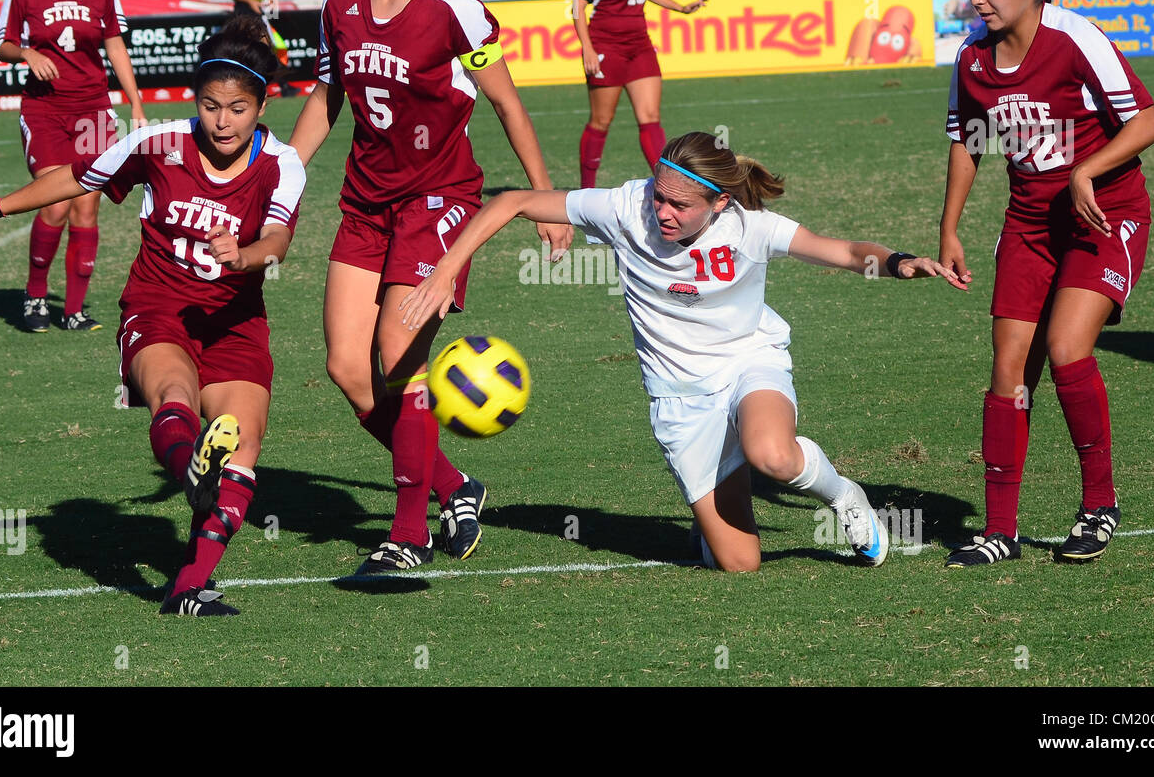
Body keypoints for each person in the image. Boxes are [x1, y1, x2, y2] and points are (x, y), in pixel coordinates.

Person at [401, 132, 968, 572]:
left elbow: (837, 249)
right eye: (658, 195)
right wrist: (447, 269)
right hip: (679, 398)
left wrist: (898, 261)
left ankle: (845, 496)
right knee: (739, 563)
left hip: (749, 360)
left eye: (679, 205)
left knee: (771, 453)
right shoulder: (627, 208)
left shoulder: (751, 227)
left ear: (719, 203)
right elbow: (515, 201)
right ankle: (721, 490)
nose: (662, 211)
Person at [0, 27, 307, 615]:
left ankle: (187, 587)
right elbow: (77, 176)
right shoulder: (158, 142)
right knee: (173, 392)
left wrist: (244, 256)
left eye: (238, 109)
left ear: (262, 107)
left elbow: (279, 237)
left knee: (243, 451)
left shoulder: (280, 163)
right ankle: (193, 470)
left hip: (235, 322)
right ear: (196, 102)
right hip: (158, 305)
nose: (222, 122)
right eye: (210, 106)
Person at [287, 0, 573, 574]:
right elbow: (328, 101)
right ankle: (454, 484)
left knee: (397, 353)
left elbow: (507, 103)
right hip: (364, 203)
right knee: (348, 369)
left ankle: (408, 533)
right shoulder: (338, 5)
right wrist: (280, 185)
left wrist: (544, 199)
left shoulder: (455, 10)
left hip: (438, 200)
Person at [938, 0, 1154, 567]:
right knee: (1009, 369)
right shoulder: (972, 59)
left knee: (1066, 351)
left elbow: (1148, 120)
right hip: (1029, 226)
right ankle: (999, 531)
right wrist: (950, 228)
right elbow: (967, 141)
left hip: (1103, 216)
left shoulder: (1075, 38)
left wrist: (1086, 171)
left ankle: (1098, 507)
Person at [0, 0, 146, 332]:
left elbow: (115, 46)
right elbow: (2, 46)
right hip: (44, 111)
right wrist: (26, 52)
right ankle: (36, 297)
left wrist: (134, 104)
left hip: (93, 110)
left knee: (85, 208)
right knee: (55, 203)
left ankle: (74, 310)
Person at [573, 0, 707, 189]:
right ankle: (586, 190)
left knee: (650, 118)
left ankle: (665, 184)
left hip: (640, 46)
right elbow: (578, 4)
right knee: (601, 121)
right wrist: (588, 48)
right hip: (606, 46)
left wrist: (680, 8)